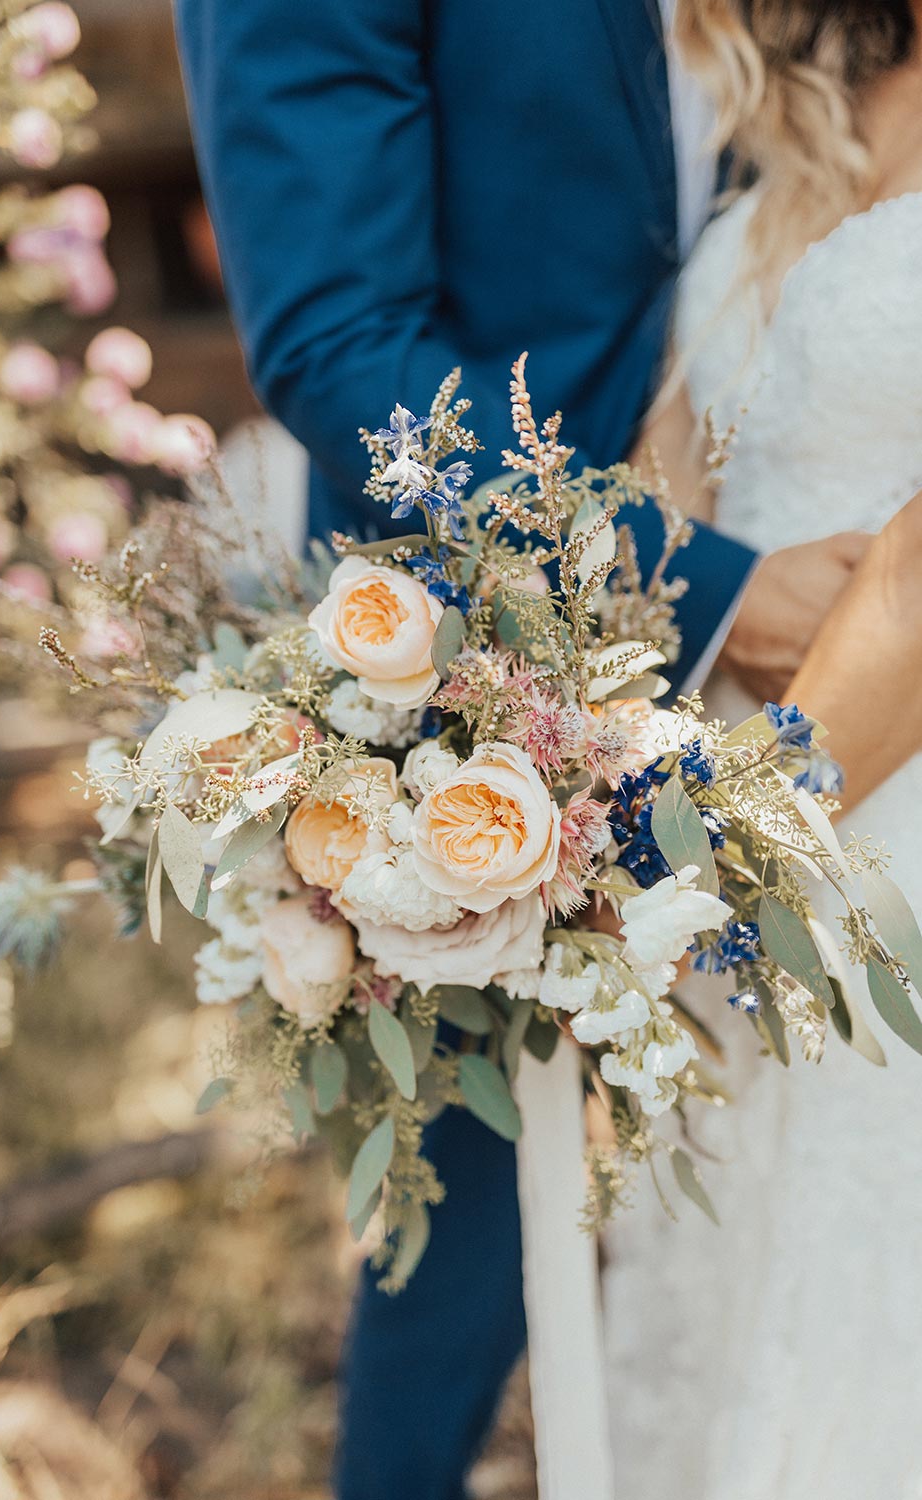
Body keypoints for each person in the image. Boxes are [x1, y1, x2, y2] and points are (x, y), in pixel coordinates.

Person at [172, 2, 871, 1494]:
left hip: (825, 617)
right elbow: (338, 339)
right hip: (473, 641)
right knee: (470, 1217)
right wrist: (701, 579)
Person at [603, 4, 922, 1497]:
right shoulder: (801, 112)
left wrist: (698, 874)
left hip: (856, 838)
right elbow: (668, 487)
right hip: (725, 851)